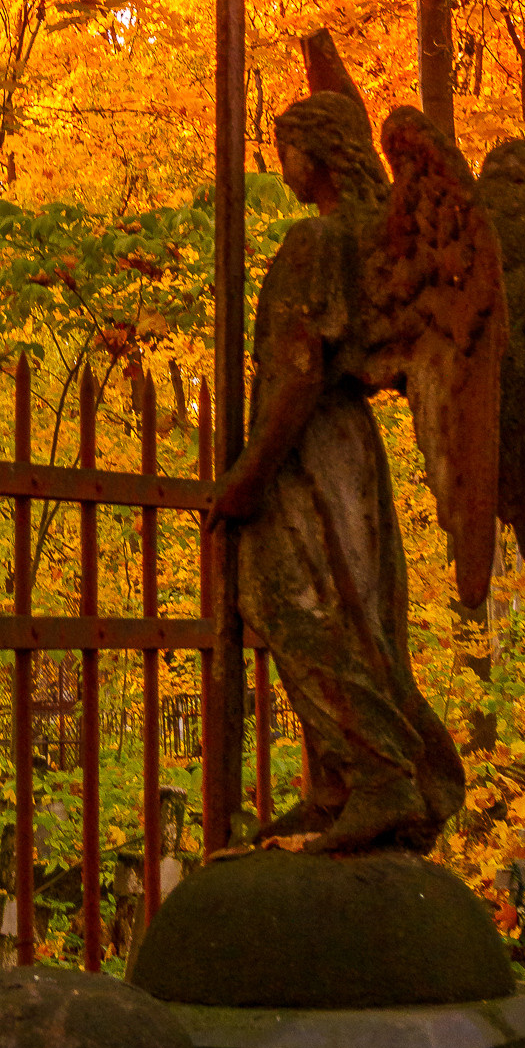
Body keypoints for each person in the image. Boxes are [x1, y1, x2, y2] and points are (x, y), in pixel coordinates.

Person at [207, 91, 464, 851]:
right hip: (347, 451)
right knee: (355, 616)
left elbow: (297, 370)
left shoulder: (315, 243)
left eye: (285, 148)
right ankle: (337, 787)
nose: (279, 165)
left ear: (315, 153)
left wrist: (250, 475)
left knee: (300, 610)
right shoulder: (365, 235)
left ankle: (382, 772)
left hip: (310, 453)